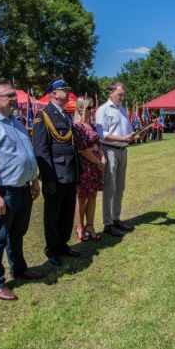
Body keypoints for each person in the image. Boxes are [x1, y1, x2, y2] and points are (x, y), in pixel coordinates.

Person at [0, 80, 43, 301]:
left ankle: (19, 268)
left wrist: (33, 180)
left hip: (23, 189)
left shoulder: (16, 122)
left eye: (14, 94)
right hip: (4, 192)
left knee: (17, 234)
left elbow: (26, 154)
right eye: (9, 95)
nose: (14, 98)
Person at [32, 78, 80, 266]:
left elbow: (72, 146)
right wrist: (48, 177)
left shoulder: (66, 115)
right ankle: (52, 248)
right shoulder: (43, 115)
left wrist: (78, 171)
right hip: (55, 174)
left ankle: (63, 244)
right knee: (52, 214)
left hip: (70, 172)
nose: (68, 92)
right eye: (64, 90)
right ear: (53, 93)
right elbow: (40, 150)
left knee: (67, 212)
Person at [96, 82, 135, 237]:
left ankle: (116, 219)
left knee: (120, 187)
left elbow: (129, 131)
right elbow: (101, 134)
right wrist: (121, 138)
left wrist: (134, 136)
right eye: (119, 94)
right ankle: (107, 223)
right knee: (109, 188)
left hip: (123, 151)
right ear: (110, 93)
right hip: (109, 151)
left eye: (123, 94)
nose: (122, 97)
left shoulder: (123, 110)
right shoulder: (103, 110)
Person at [74, 97, 106, 241]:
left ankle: (90, 225)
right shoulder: (77, 127)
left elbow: (97, 145)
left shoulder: (91, 126)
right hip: (84, 167)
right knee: (82, 198)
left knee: (93, 196)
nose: (91, 110)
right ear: (80, 109)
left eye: (92, 108)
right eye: (88, 108)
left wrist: (102, 157)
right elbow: (82, 150)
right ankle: (80, 226)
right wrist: (98, 161)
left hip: (95, 167)